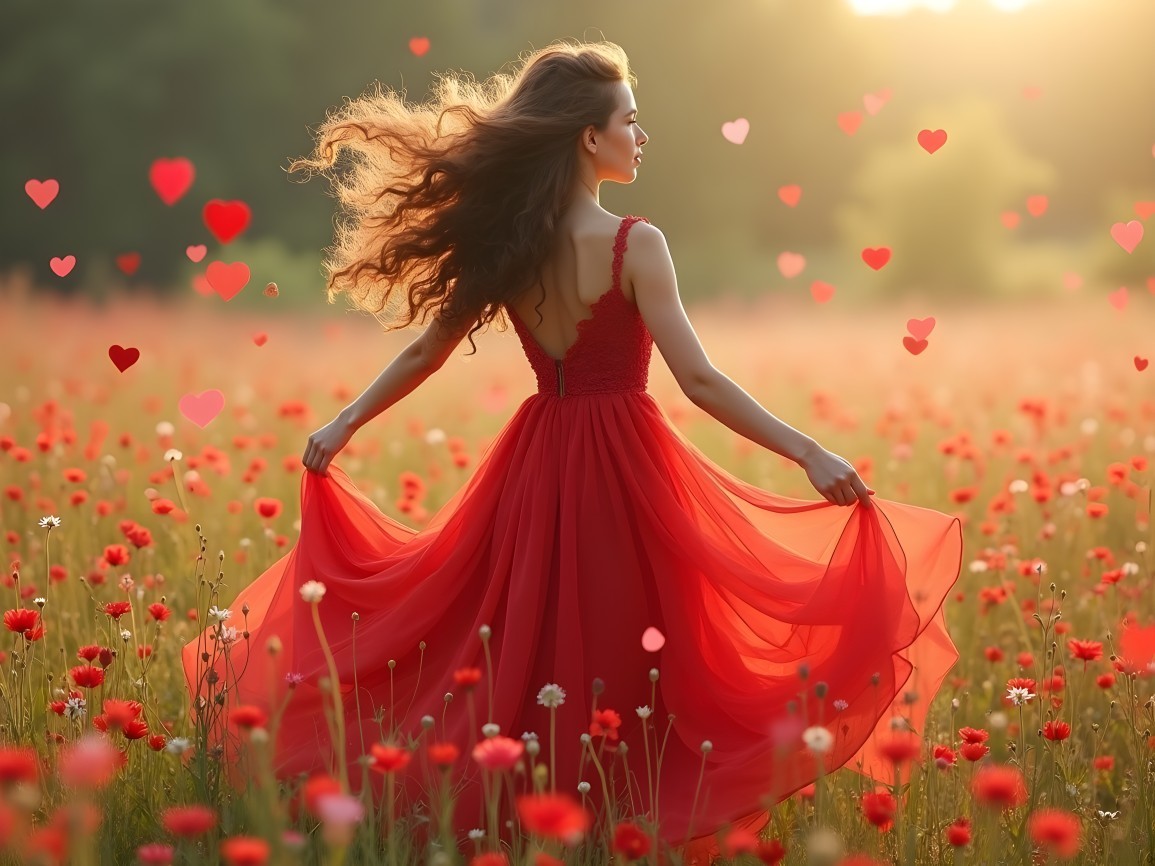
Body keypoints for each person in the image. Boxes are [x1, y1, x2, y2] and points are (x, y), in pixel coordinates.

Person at [183, 39, 963, 866]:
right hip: (626, 465)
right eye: (630, 120)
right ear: (589, 138)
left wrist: (344, 422)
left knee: (534, 645)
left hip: (538, 459)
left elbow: (424, 353)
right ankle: (623, 822)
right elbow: (695, 379)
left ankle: (532, 825)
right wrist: (807, 452)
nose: (641, 135)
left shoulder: (509, 241)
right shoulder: (635, 242)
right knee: (632, 647)